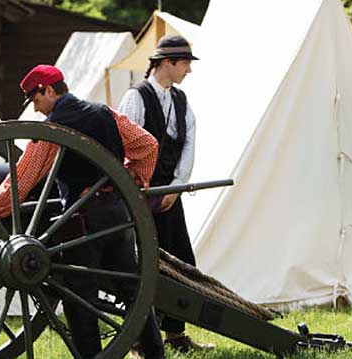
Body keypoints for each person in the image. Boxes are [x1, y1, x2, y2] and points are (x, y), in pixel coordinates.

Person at [0, 64, 164, 359]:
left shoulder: (54, 128)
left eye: (35, 99)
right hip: (118, 213)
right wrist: (128, 179)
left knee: (80, 295)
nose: (35, 108)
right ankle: (154, 355)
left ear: (47, 90)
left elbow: (23, 178)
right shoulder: (104, 113)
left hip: (82, 222)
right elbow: (148, 145)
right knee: (132, 290)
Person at [118, 35, 213, 353]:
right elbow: (127, 146)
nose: (188, 69)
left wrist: (178, 185)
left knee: (181, 259)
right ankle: (140, 338)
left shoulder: (182, 102)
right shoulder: (136, 97)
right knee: (145, 265)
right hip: (140, 194)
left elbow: (189, 144)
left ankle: (175, 334)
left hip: (170, 193)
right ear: (167, 63)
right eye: (185, 63)